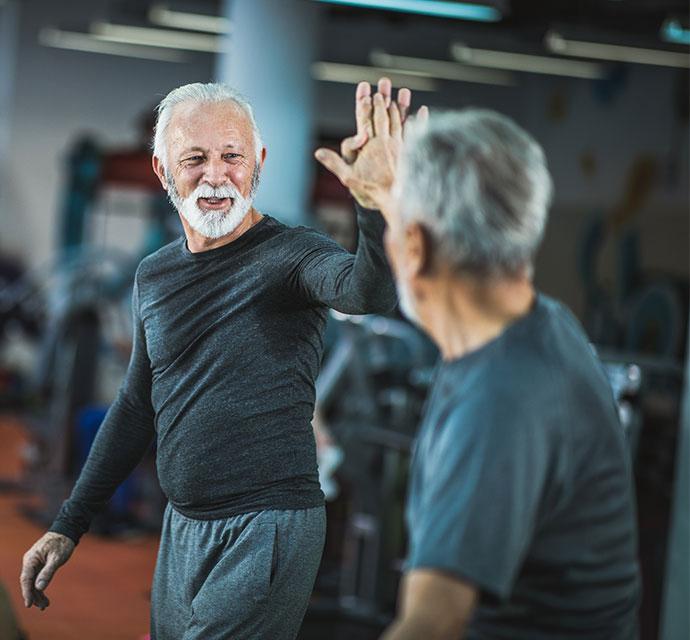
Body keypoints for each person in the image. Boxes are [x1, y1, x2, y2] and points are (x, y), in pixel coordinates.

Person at [20, 79, 417, 640]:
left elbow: (367, 294)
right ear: (162, 170)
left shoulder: (292, 255)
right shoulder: (154, 275)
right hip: (182, 528)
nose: (215, 175)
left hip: (268, 525)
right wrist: (67, 525)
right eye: (195, 158)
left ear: (257, 163)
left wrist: (376, 209)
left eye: (232, 156)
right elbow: (136, 405)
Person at [316, 88, 641, 639]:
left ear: (414, 246)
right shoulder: (542, 324)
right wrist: (392, 200)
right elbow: (437, 258)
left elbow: (430, 624)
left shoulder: (499, 402)